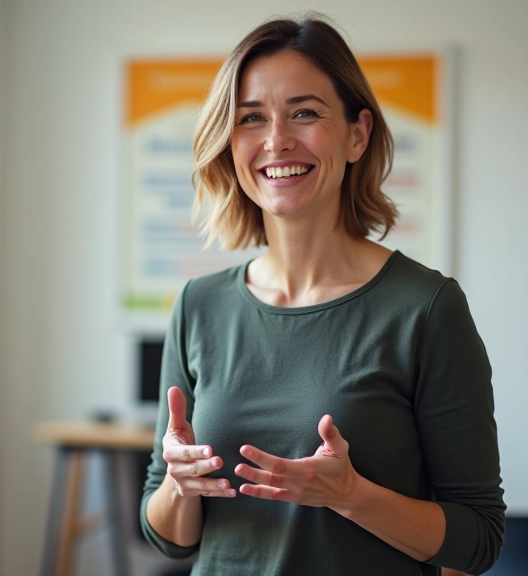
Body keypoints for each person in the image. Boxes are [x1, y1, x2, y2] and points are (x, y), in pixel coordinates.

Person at [140, 14, 504, 576]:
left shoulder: (425, 309)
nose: (277, 140)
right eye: (251, 119)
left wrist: (351, 495)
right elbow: (170, 539)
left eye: (305, 113)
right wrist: (181, 488)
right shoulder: (199, 305)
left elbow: (478, 540)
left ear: (357, 134)